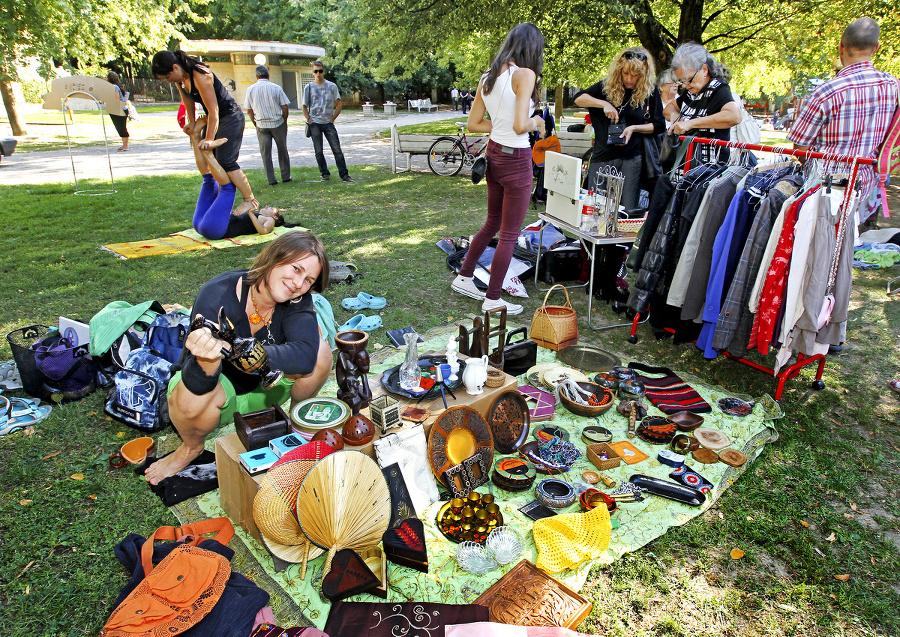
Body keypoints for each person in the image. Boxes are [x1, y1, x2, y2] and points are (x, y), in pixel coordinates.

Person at [144, 231, 335, 485]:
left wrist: (244, 351)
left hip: (269, 391)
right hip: (222, 396)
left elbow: (306, 357)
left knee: (321, 352)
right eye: (296, 269)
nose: (298, 283)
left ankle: (293, 423)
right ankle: (190, 448)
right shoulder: (218, 294)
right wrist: (208, 357)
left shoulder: (298, 299)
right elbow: (199, 383)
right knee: (189, 401)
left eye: (308, 279)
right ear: (275, 258)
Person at [789, 17, 899, 356]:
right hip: (863, 186)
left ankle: (809, 330)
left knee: (814, 260)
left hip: (826, 185)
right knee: (841, 258)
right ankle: (833, 330)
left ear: (841, 49)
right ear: (877, 49)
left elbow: (798, 143)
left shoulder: (827, 90)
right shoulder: (894, 88)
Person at [450, 23, 546, 316]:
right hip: (515, 158)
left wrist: (503, 125)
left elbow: (474, 123)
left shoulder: (487, 78)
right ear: (532, 49)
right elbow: (520, 125)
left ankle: (464, 276)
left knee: (492, 223)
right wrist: (537, 123)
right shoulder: (525, 74)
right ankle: (493, 299)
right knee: (507, 233)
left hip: (493, 155)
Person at [152, 50, 272, 238]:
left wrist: (208, 138)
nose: (168, 80)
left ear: (175, 67)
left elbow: (214, 110)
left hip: (229, 116)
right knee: (212, 163)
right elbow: (187, 101)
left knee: (225, 161)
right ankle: (223, 194)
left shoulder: (201, 75)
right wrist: (191, 123)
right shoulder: (180, 79)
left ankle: (249, 199)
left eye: (167, 76)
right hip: (213, 117)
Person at [574, 46, 666, 210]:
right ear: (619, 70)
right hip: (603, 154)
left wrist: (634, 128)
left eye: (636, 75)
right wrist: (603, 104)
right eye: (626, 73)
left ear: (643, 74)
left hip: (631, 157)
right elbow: (578, 98)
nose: (630, 78)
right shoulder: (607, 86)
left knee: (627, 210)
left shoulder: (649, 91)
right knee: (595, 209)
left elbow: (659, 125)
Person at [665, 43, 742, 164]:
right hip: (686, 166)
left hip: (709, 169)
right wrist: (675, 117)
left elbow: (734, 116)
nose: (684, 85)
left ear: (704, 70)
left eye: (688, 79)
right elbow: (669, 108)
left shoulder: (718, 88)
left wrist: (690, 124)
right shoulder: (693, 91)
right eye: (681, 81)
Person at [303, 61, 354, 183]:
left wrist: (332, 119)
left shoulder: (332, 86)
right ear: (313, 72)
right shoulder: (309, 87)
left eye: (320, 71)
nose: (318, 73)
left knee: (337, 149)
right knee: (318, 151)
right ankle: (324, 174)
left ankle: (344, 175)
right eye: (316, 71)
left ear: (324, 71)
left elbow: (339, 104)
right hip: (315, 123)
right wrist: (309, 120)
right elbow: (304, 106)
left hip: (328, 123)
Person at [245, 65, 292, 186]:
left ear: (256, 76)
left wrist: (255, 122)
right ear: (268, 75)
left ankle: (271, 179)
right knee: (282, 150)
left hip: (261, 124)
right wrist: (284, 119)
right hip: (277, 122)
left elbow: (249, 110)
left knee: (265, 153)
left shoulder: (250, 89)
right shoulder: (276, 88)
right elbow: (285, 106)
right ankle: (286, 176)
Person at [105, 72, 130, 151]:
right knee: (122, 127)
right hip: (122, 108)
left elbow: (116, 98)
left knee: (121, 127)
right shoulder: (118, 86)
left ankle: (126, 146)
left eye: (106, 77)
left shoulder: (114, 87)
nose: (105, 78)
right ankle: (125, 145)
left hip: (118, 109)